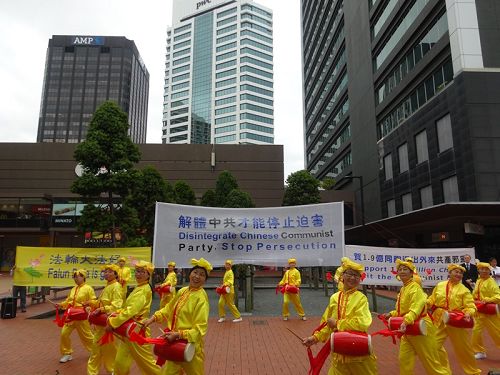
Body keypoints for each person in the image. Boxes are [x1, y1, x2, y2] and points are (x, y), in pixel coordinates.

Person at [302, 258, 377, 375]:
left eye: (357, 275)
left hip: (358, 352)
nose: (353, 278)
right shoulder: (334, 298)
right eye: (350, 274)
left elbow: (362, 322)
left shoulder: (361, 298)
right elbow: (326, 323)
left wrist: (338, 324)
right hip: (338, 351)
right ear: (342, 275)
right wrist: (315, 338)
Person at [144, 258, 212, 375]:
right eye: (195, 272)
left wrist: (179, 334)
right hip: (174, 343)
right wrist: (152, 318)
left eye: (201, 275)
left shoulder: (201, 298)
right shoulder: (183, 291)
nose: (197, 276)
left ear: (205, 280)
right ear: (190, 274)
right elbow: (169, 308)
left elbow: (200, 329)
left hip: (190, 347)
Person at [384, 258, 450, 375]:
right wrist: (391, 314)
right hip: (408, 327)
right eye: (400, 269)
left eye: (406, 269)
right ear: (397, 273)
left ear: (411, 273)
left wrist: (406, 320)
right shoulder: (403, 289)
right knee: (404, 360)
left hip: (421, 327)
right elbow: (402, 310)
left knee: (430, 362)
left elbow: (416, 307)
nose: (402, 271)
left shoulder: (415, 287)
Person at [107, 260, 160, 375]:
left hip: (138, 331)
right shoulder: (139, 287)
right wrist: (116, 313)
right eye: (137, 271)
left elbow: (131, 311)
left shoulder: (144, 289)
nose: (138, 274)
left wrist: (112, 322)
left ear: (148, 275)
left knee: (147, 364)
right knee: (120, 362)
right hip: (130, 329)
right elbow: (128, 308)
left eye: (142, 272)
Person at [427, 264, 480, 375]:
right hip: (439, 319)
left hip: (456, 321)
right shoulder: (440, 285)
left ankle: (473, 372)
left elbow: (471, 306)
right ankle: (444, 371)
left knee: (464, 350)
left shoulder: (464, 290)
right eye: (456, 271)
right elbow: (432, 299)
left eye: (460, 273)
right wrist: (426, 303)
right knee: (433, 347)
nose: (458, 274)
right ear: (449, 273)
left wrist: (468, 312)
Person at [86, 264, 123, 375]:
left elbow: (117, 306)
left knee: (110, 351)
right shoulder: (107, 286)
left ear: (116, 274)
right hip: (100, 326)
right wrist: (91, 304)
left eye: (110, 271)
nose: (106, 273)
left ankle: (112, 371)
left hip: (108, 325)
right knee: (95, 351)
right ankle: (92, 373)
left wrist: (102, 309)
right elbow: (101, 302)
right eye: (105, 271)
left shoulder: (116, 287)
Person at [58, 269, 96, 363]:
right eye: (74, 277)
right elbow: (69, 301)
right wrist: (61, 305)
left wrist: (88, 305)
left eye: (78, 276)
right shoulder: (73, 289)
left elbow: (94, 301)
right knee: (64, 334)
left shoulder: (88, 288)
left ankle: (95, 352)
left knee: (87, 336)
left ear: (83, 277)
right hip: (71, 315)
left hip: (82, 316)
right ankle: (67, 353)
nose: (76, 278)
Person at [471, 261, 500, 359]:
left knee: (497, 333)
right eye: (481, 269)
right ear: (478, 270)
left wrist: (487, 300)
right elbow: (475, 294)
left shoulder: (491, 282)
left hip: (490, 312)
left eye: (486, 269)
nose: (483, 271)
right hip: (479, 312)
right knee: (476, 332)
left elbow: (498, 296)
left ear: (489, 271)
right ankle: (479, 351)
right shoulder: (479, 280)